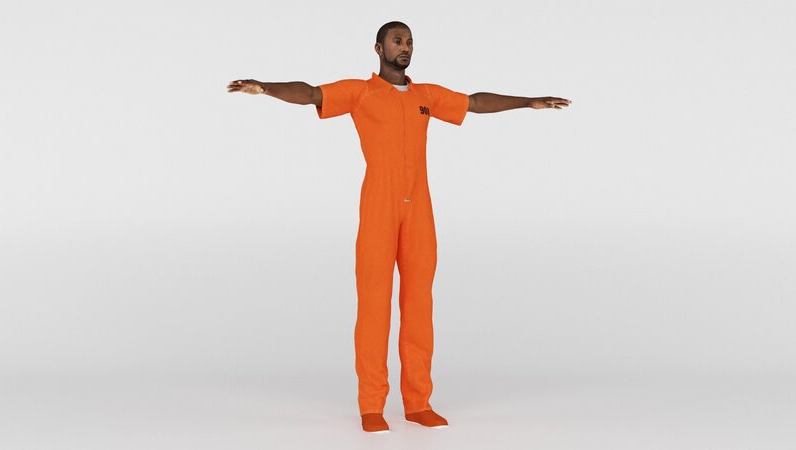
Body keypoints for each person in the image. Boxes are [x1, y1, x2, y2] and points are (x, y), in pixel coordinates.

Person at [227, 20, 571, 433]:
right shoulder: (361, 92)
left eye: (409, 41)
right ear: (379, 48)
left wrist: (529, 102)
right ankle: (372, 405)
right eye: (396, 40)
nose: (404, 46)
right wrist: (265, 87)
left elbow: (475, 102)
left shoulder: (426, 96)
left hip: (419, 210)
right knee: (374, 306)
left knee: (419, 306)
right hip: (379, 207)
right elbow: (312, 93)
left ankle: (418, 402)